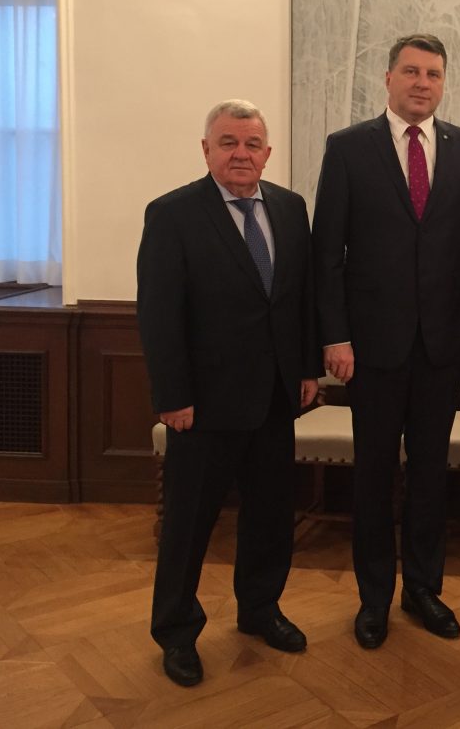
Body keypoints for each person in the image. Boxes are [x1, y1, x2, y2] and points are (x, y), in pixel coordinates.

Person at [311, 33, 460, 649]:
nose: (422, 83)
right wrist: (335, 336)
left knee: (430, 474)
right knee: (373, 475)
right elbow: (327, 253)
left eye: (433, 74)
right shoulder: (347, 148)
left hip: (441, 345)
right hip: (371, 348)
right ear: (388, 78)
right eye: (411, 71)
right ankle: (373, 599)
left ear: (443, 84)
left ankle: (423, 589)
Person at [137, 99, 321, 686]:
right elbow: (159, 315)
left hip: (275, 399)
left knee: (270, 517)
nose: (241, 153)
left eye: (252, 144)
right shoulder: (173, 214)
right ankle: (176, 632)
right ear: (206, 149)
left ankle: (260, 609)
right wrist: (172, 396)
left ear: (267, 152)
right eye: (228, 143)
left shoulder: (290, 208)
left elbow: (300, 299)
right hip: (203, 406)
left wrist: (308, 368)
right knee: (189, 525)